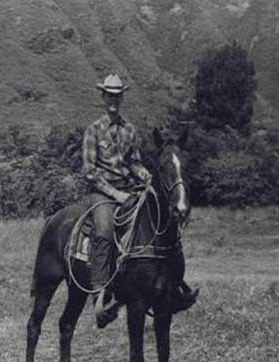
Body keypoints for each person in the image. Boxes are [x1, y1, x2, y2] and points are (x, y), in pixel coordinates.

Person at [83, 74, 198, 328]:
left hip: (130, 189)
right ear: (103, 97)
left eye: (117, 95)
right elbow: (90, 172)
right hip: (103, 193)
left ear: (122, 97)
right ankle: (101, 296)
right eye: (109, 95)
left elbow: (134, 162)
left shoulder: (130, 130)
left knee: (158, 221)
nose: (113, 99)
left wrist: (146, 177)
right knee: (103, 231)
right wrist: (114, 194)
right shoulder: (93, 130)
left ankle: (174, 285)